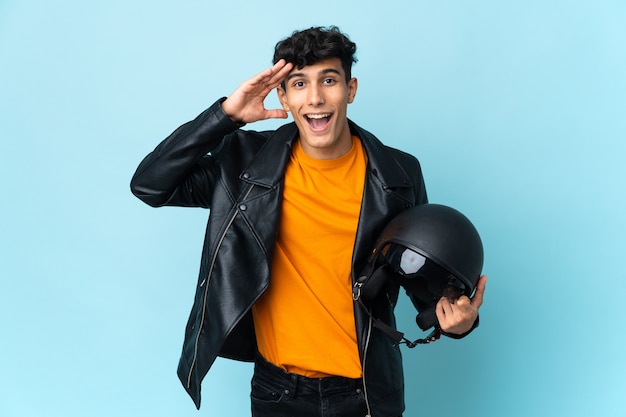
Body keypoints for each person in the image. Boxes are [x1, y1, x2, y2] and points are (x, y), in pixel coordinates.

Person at [130, 26, 486, 417]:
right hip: (277, 392)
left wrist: (458, 320)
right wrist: (225, 116)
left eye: (328, 80)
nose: (315, 97)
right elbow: (150, 185)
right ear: (282, 95)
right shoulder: (244, 165)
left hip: (367, 391)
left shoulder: (399, 174)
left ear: (350, 90)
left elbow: (423, 282)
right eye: (299, 83)